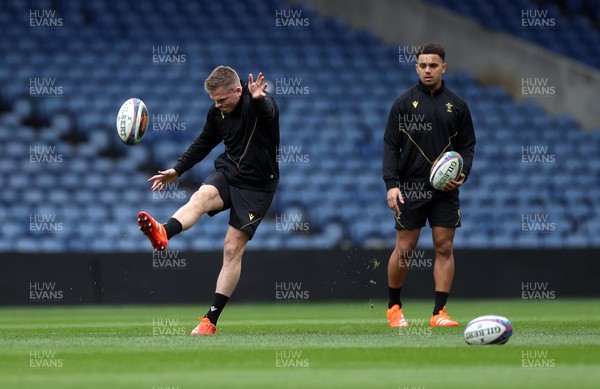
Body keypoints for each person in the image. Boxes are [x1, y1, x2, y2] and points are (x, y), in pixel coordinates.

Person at [138, 65, 279, 335]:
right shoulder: (217, 112)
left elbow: (268, 113)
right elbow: (204, 142)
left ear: (238, 91)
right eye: (214, 100)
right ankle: (164, 231)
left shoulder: (260, 103)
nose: (217, 105)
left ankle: (210, 320)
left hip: (257, 187)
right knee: (201, 197)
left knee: (231, 248)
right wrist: (177, 170)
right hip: (230, 172)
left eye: (222, 99)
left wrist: (260, 99)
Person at [382, 43, 476, 327]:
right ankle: (394, 307)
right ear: (416, 67)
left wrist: (463, 172)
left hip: (445, 188)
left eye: (433, 65)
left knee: (444, 246)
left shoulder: (457, 105)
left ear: (443, 68)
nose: (427, 70)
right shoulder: (403, 103)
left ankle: (439, 313)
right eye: (422, 65)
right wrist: (391, 184)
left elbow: (468, 146)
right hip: (410, 186)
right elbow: (390, 145)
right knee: (405, 248)